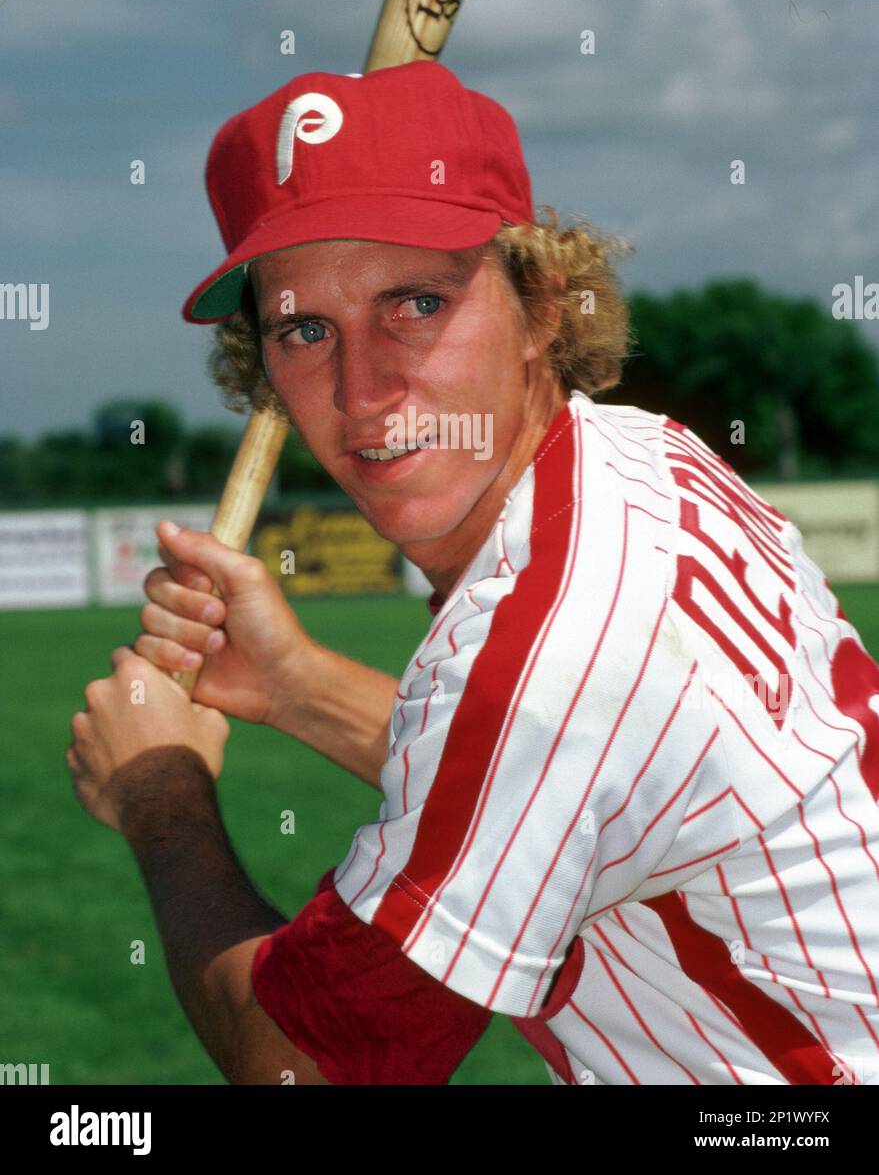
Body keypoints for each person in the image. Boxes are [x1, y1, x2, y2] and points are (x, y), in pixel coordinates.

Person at [69, 62, 879, 1086]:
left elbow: (304, 1067)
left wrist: (160, 792)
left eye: (416, 301)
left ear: (541, 306)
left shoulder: (556, 646)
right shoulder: (642, 456)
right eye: (305, 329)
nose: (364, 389)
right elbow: (559, 789)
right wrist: (296, 684)